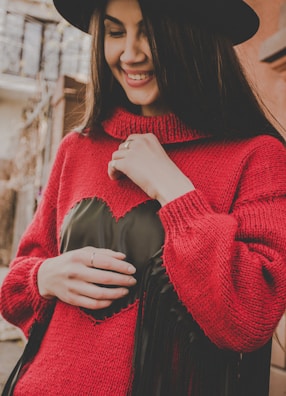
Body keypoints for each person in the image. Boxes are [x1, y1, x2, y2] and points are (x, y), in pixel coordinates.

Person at [1, 0, 286, 395]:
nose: (130, 54)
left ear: (194, 36)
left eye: (149, 33)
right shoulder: (77, 148)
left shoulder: (257, 156)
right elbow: (13, 292)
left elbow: (248, 316)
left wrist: (173, 188)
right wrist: (44, 277)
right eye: (116, 32)